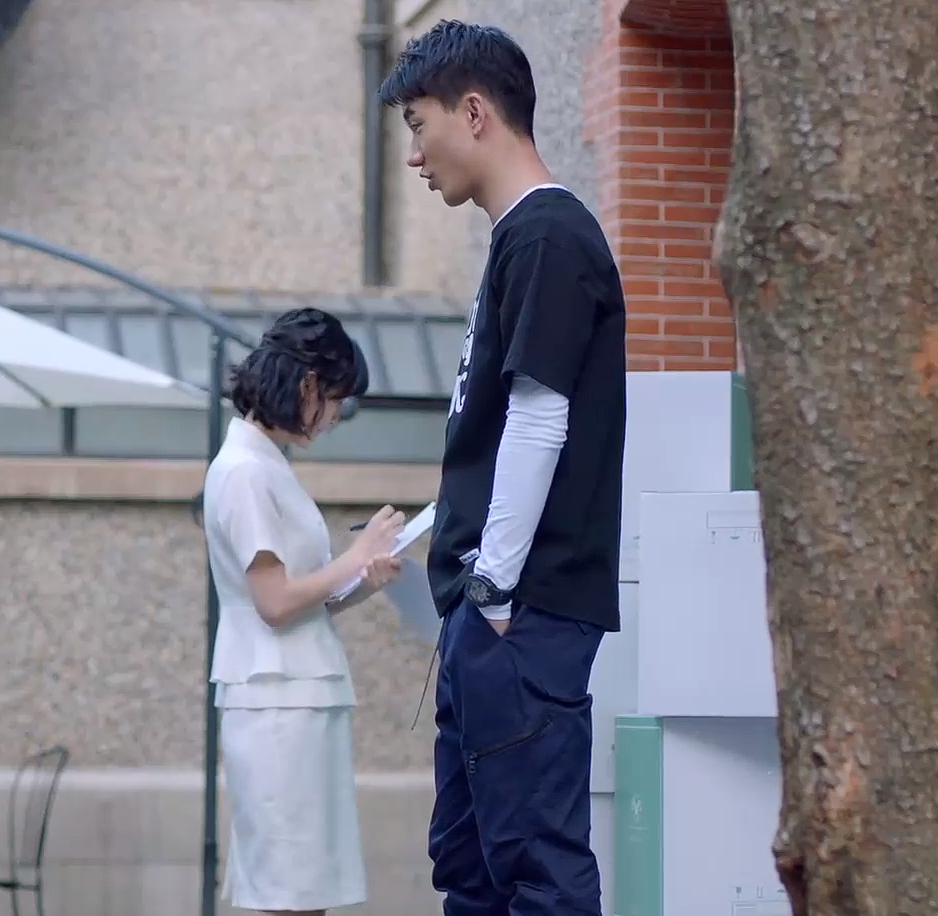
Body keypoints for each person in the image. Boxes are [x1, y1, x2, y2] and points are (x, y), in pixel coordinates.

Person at [378, 20, 628, 916]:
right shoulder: (522, 239)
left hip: (519, 612)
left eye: (419, 125)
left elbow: (539, 416)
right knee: (473, 869)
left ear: (475, 112)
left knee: (534, 873)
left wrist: (492, 589)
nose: (414, 154)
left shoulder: (549, 236)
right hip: (493, 613)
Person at [201, 307, 407, 916]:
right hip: (276, 703)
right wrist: (356, 557)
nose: (336, 415)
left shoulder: (264, 464)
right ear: (307, 385)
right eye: (335, 398)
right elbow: (274, 602)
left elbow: (299, 599)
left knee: (305, 890)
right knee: (289, 892)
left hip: (294, 696)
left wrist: (364, 578)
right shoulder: (245, 472)